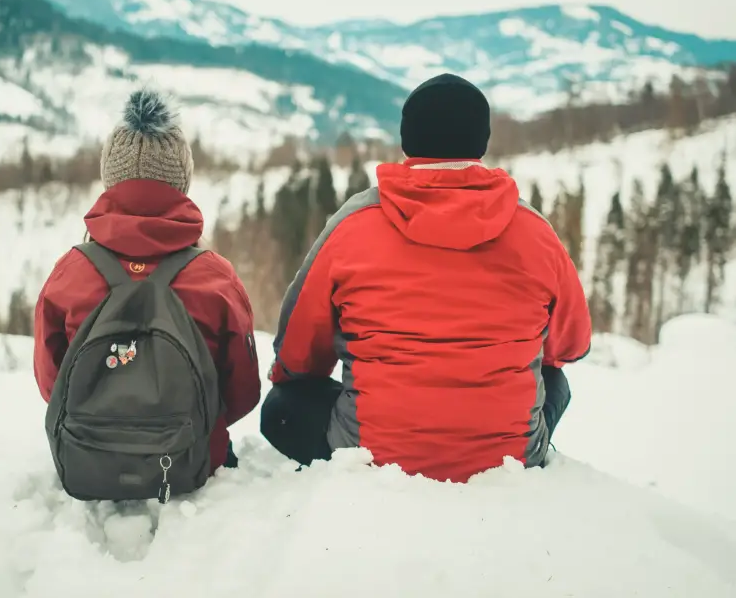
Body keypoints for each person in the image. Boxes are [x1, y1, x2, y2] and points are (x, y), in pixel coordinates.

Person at [260, 73, 592, 483]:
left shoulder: (354, 224)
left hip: (372, 453)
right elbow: (570, 346)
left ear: (406, 139)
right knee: (554, 379)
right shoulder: (534, 231)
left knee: (280, 407)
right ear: (483, 141)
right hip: (509, 458)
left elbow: (297, 356)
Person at [33, 88, 261, 477]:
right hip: (190, 457)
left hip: (86, 455)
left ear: (110, 177)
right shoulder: (215, 276)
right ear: (182, 181)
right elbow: (243, 392)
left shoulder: (70, 272)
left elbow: (51, 381)